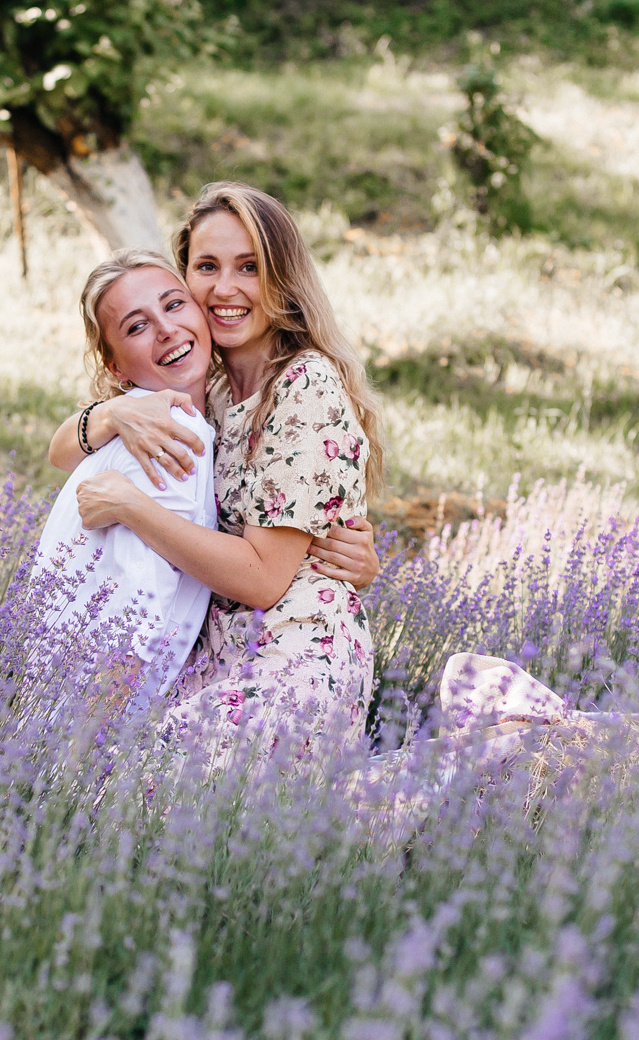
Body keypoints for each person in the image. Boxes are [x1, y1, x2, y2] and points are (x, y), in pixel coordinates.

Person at [49, 182, 387, 752]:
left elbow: (261, 578)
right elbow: (60, 451)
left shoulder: (304, 386)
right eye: (207, 266)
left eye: (249, 267)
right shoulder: (209, 383)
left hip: (293, 662)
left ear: (281, 278)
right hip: (211, 655)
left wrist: (132, 508)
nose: (225, 288)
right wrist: (111, 414)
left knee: (142, 802)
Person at [29, 249, 220, 697]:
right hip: (98, 719)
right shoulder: (168, 435)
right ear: (114, 366)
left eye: (174, 304)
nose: (167, 329)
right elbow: (134, 621)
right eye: (137, 326)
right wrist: (87, 754)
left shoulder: (164, 413)